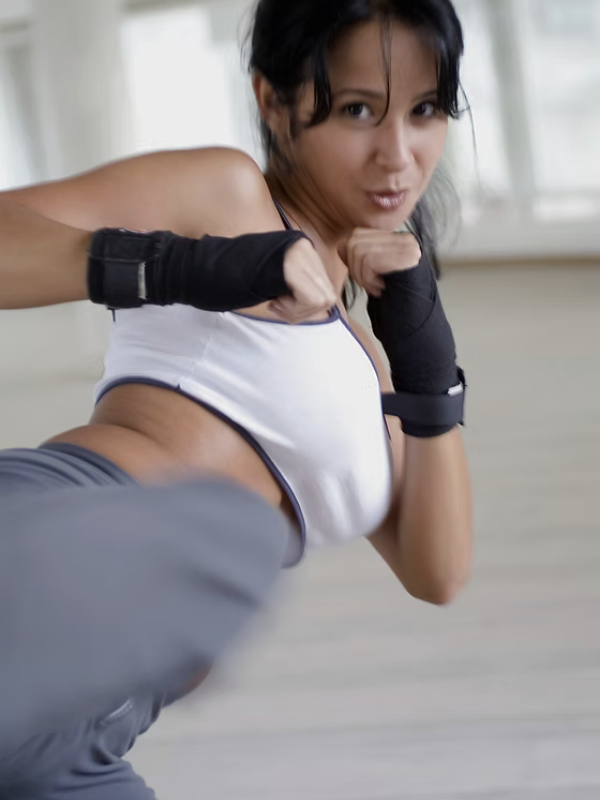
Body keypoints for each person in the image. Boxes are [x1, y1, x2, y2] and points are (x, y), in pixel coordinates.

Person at [0, 0, 472, 795]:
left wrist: (428, 366)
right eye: (359, 111)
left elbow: (439, 572)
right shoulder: (225, 197)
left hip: (95, 729)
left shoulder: (369, 366)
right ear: (273, 102)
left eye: (424, 110)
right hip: (49, 548)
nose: (397, 155)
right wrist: (183, 268)